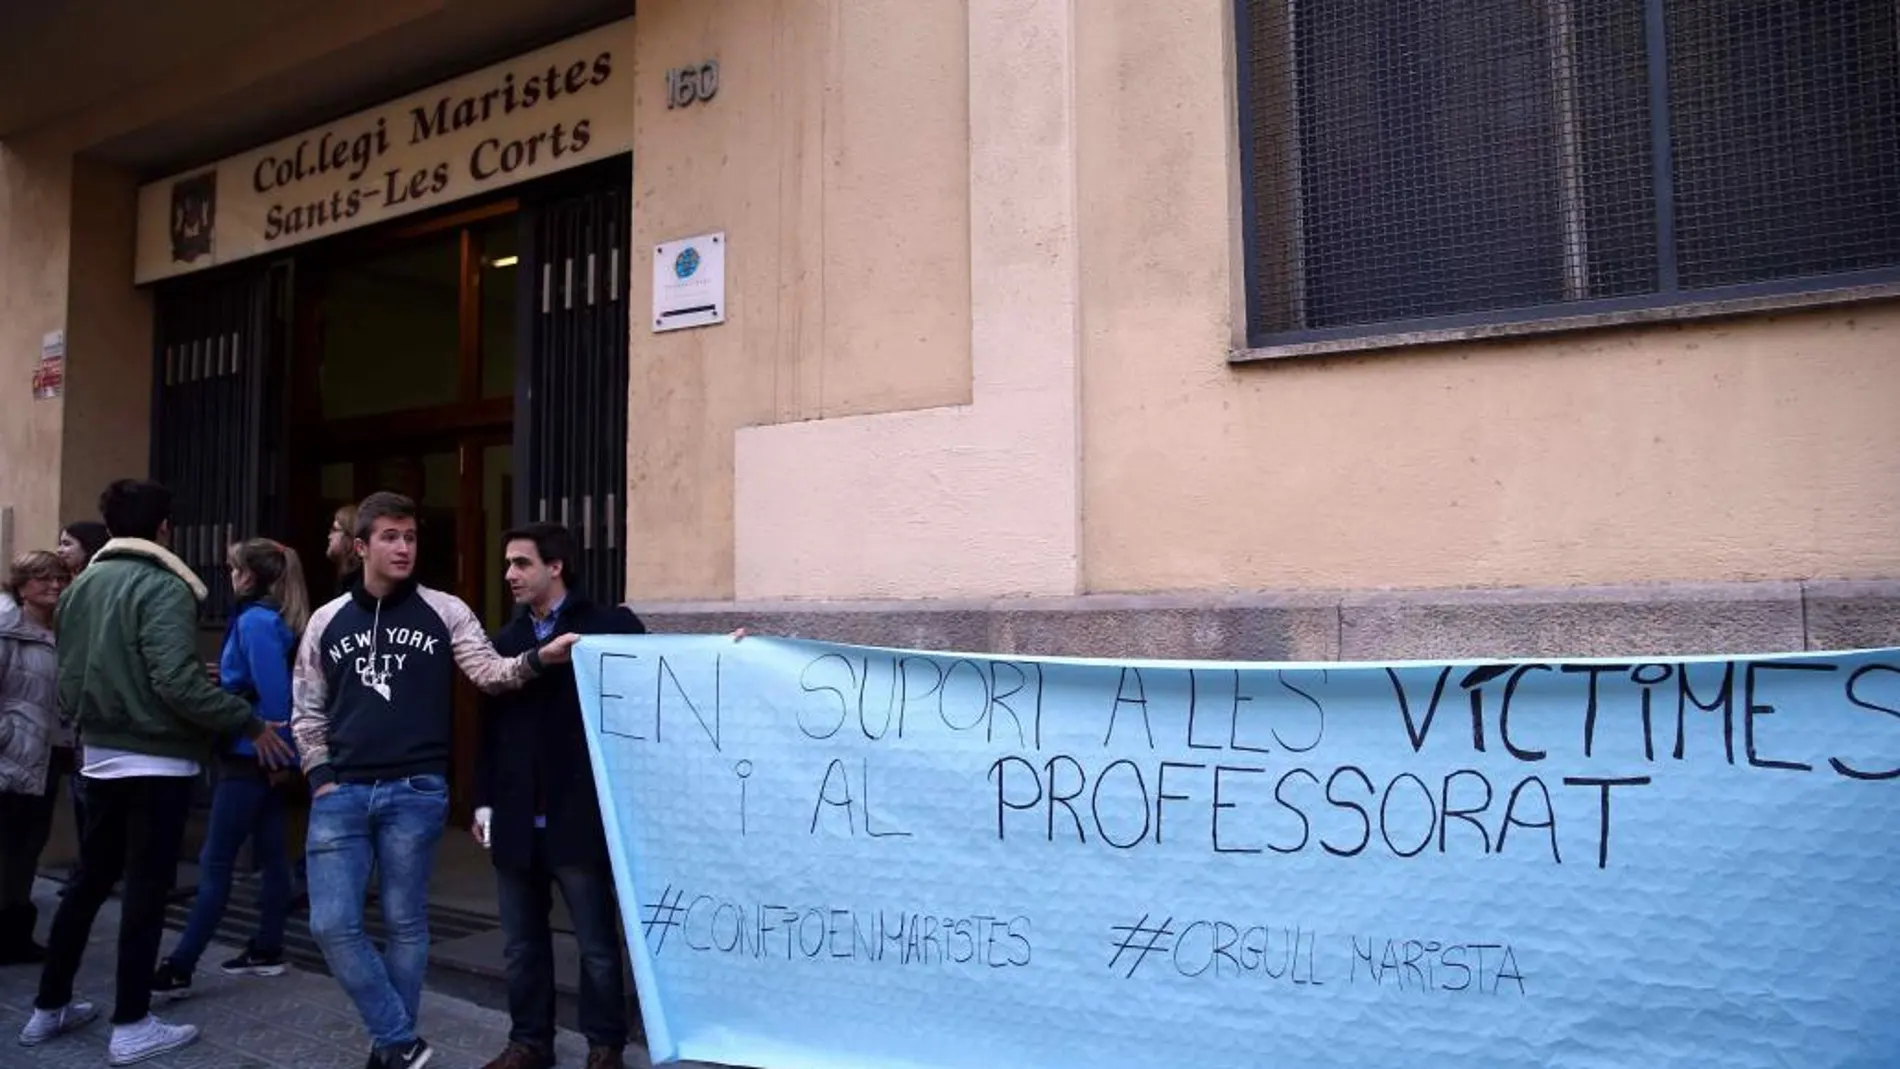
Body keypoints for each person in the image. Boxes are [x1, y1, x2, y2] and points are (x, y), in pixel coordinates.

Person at [292, 492, 581, 1069]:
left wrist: (536, 660)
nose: (404, 548)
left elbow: (489, 674)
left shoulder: (444, 609)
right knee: (330, 924)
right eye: (391, 537)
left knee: (405, 923)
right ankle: (400, 1039)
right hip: (341, 792)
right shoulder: (327, 620)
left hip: (415, 792)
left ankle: (390, 1052)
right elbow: (306, 708)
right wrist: (321, 776)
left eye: (411, 537)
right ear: (361, 546)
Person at [19, 480, 295, 1066]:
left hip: (99, 755)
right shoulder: (164, 586)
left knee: (89, 881)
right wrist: (247, 721)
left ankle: (48, 1007)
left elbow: (71, 677)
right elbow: (173, 679)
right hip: (156, 758)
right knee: (146, 889)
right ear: (165, 527)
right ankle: (131, 1021)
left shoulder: (82, 586)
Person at [472, 524, 645, 1069]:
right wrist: (482, 801)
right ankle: (529, 1043)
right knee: (521, 947)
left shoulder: (609, 627)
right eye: (508, 564)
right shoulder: (504, 643)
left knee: (596, 947)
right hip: (518, 818)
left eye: (521, 563)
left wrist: (726, 652)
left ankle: (604, 1046)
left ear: (556, 567)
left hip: (580, 816)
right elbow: (488, 729)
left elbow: (659, 681)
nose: (509, 575)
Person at [150, 539, 308, 999]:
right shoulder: (267, 618)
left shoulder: (257, 620)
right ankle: (268, 947)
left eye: (234, 568)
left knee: (216, 860)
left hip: (249, 753)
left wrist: (276, 750)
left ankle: (181, 962)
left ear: (251, 575)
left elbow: (275, 696)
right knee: (274, 854)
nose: (229, 575)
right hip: (260, 753)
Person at [0, 551, 72, 965]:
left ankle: (14, 936)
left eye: (60, 578)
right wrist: (11, 736)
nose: (55, 586)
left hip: (46, 757)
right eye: (44, 579)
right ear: (22, 584)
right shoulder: (9, 629)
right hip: (12, 758)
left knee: (28, 849)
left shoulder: (59, 630)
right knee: (8, 848)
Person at [52, 520, 108, 882]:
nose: (60, 550)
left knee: (90, 793)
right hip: (68, 713)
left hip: (89, 711)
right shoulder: (68, 587)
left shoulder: (94, 588)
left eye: (67, 543)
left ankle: (93, 869)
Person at [327, 503, 362, 598]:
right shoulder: (342, 578)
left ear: (349, 536)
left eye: (334, 530)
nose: (329, 536)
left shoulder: (361, 585)